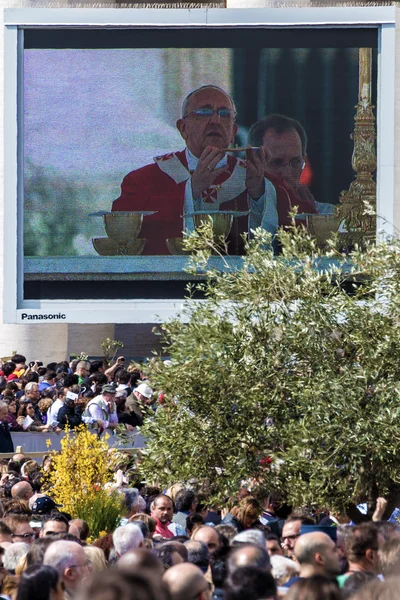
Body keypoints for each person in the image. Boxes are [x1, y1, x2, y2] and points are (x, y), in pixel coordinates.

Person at [112, 84, 279, 255]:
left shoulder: (255, 179)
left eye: (224, 114)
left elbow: (273, 247)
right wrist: (192, 190)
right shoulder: (141, 182)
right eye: (204, 113)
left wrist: (258, 196)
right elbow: (125, 241)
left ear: (233, 131)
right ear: (183, 128)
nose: (215, 121)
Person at [248, 114, 334, 225]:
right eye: (276, 163)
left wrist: (313, 222)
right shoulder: (238, 218)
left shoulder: (330, 216)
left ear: (304, 161)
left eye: (295, 162)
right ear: (253, 164)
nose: (287, 174)